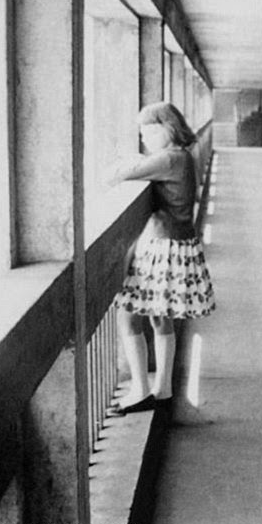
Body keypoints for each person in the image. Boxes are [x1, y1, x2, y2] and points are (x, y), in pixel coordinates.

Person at [110, 102, 216, 414]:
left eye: (147, 130)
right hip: (178, 243)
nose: (143, 137)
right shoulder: (182, 156)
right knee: (160, 316)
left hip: (162, 246)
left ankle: (141, 390)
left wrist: (131, 161)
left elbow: (115, 175)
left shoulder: (168, 158)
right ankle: (163, 389)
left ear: (165, 128)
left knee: (128, 316)